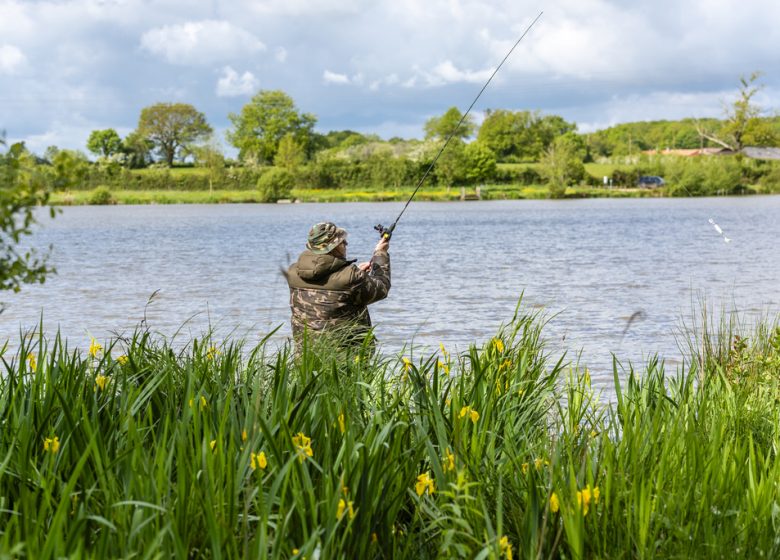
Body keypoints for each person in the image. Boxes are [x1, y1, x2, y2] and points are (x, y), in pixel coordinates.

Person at [286, 222, 391, 349]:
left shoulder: (292, 272)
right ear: (332, 247)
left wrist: (356, 274)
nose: (346, 244)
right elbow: (382, 288)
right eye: (342, 242)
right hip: (345, 359)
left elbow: (327, 283)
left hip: (306, 357)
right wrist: (381, 254)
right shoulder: (351, 277)